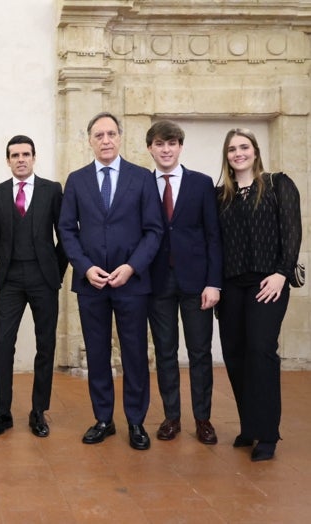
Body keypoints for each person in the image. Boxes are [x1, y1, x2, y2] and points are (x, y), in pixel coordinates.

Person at [60, 112, 163, 450]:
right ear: (89, 140)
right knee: (98, 353)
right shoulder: (76, 180)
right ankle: (103, 419)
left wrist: (132, 267)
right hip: (91, 284)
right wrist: (85, 267)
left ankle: (136, 421)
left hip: (131, 283)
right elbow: (66, 230)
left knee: (134, 353)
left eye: (111, 134)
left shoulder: (142, 178)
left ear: (120, 137)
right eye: (98, 135)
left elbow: (153, 230)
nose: (105, 140)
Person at [215, 128, 301, 462]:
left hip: (268, 283)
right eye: (232, 149)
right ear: (227, 155)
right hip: (232, 285)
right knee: (235, 353)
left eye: (244, 147)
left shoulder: (279, 185)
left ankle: (267, 434)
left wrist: (282, 272)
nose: (238, 153)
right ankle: (249, 425)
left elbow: (292, 231)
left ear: (255, 151)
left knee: (260, 350)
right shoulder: (220, 194)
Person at [145, 120, 222, 445]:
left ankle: (203, 419)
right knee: (164, 352)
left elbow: (213, 237)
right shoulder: (142, 185)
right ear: (150, 148)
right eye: (160, 144)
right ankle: (171, 417)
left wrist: (213, 282)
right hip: (157, 282)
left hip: (196, 283)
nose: (166, 149)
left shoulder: (201, 184)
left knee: (200, 352)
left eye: (172, 144)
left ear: (180, 147)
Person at [0, 135, 66, 439]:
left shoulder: (51, 190)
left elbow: (65, 235)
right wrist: (8, 263)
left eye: (25, 154)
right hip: (10, 280)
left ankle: (38, 411)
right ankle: (3, 412)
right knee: (3, 345)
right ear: (8, 160)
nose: (20, 159)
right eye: (14, 155)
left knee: (45, 345)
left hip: (44, 278)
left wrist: (54, 272)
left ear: (34, 157)